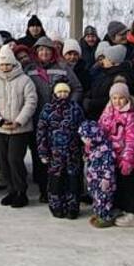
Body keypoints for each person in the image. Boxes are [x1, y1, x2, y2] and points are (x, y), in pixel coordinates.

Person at [0, 44, 37, 209]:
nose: (5, 67)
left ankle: (21, 191)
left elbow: (31, 101)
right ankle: (11, 190)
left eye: (8, 64)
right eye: (2, 64)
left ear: (14, 64)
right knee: (4, 161)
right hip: (0, 128)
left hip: (19, 129)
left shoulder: (25, 80)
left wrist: (19, 120)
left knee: (15, 159)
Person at [35, 81, 83, 218]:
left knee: (73, 181)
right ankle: (56, 206)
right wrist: (43, 152)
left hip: (72, 153)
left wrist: (85, 148)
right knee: (56, 181)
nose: (62, 95)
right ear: (55, 93)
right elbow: (41, 132)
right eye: (60, 92)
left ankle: (72, 206)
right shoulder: (48, 109)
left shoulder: (75, 108)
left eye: (65, 92)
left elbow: (82, 129)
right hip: (54, 153)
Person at [99, 83, 134, 227]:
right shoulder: (107, 113)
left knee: (129, 186)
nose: (117, 101)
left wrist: (128, 158)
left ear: (127, 98)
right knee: (116, 185)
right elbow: (100, 132)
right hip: (110, 157)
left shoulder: (130, 115)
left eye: (121, 98)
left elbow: (132, 138)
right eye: (114, 98)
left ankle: (132, 213)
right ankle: (118, 208)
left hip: (127, 158)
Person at [79, 119, 118, 228]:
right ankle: (98, 214)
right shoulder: (92, 147)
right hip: (94, 180)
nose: (84, 140)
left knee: (104, 200)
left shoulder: (105, 148)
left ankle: (105, 217)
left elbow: (109, 164)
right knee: (96, 198)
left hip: (103, 181)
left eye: (86, 138)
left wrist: (106, 179)